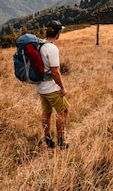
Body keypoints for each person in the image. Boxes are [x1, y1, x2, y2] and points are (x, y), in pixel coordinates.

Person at [36, 20, 70, 149]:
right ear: (57, 33)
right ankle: (61, 141)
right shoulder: (52, 48)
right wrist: (62, 87)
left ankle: (48, 139)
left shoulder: (40, 46)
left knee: (46, 112)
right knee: (63, 110)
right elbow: (55, 72)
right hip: (50, 86)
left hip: (40, 86)